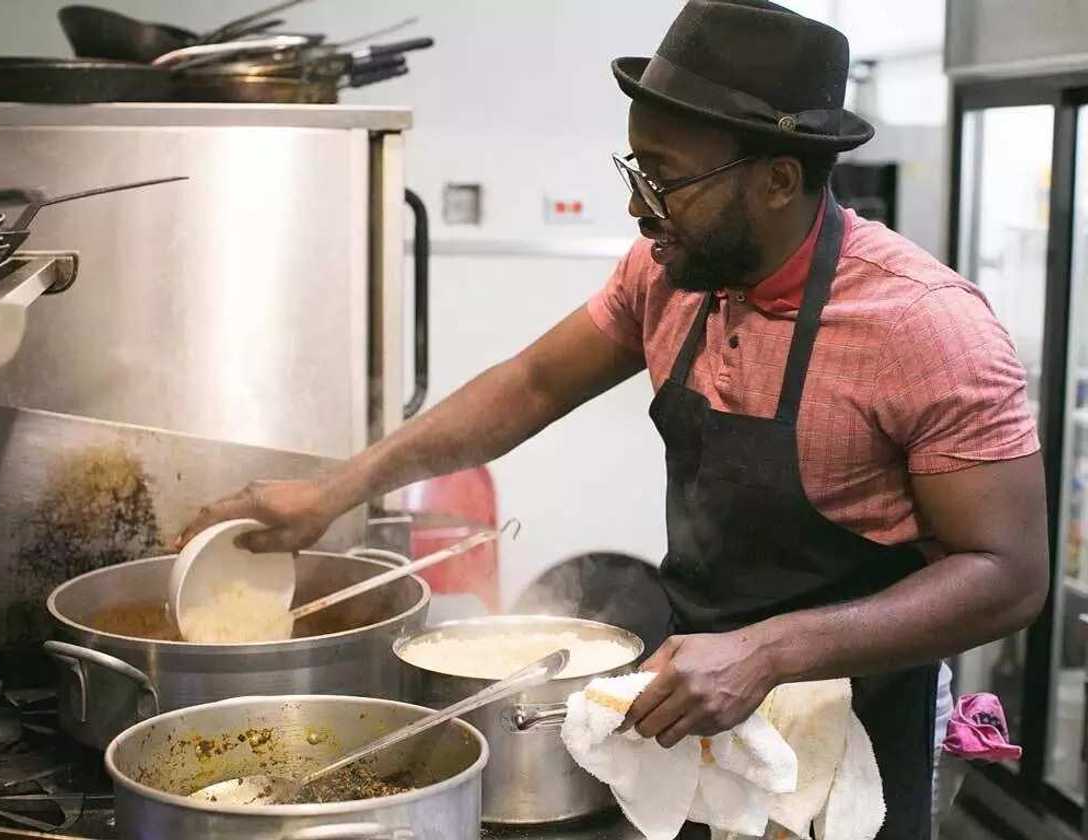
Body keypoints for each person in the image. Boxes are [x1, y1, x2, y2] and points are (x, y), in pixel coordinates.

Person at [178, 1, 1048, 836]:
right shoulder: (665, 275)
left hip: (855, 727)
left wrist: (772, 652)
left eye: (668, 178)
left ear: (781, 179)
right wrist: (335, 490)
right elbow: (529, 384)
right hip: (699, 703)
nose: (639, 206)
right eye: (636, 168)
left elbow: (1008, 574)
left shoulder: (925, 326)